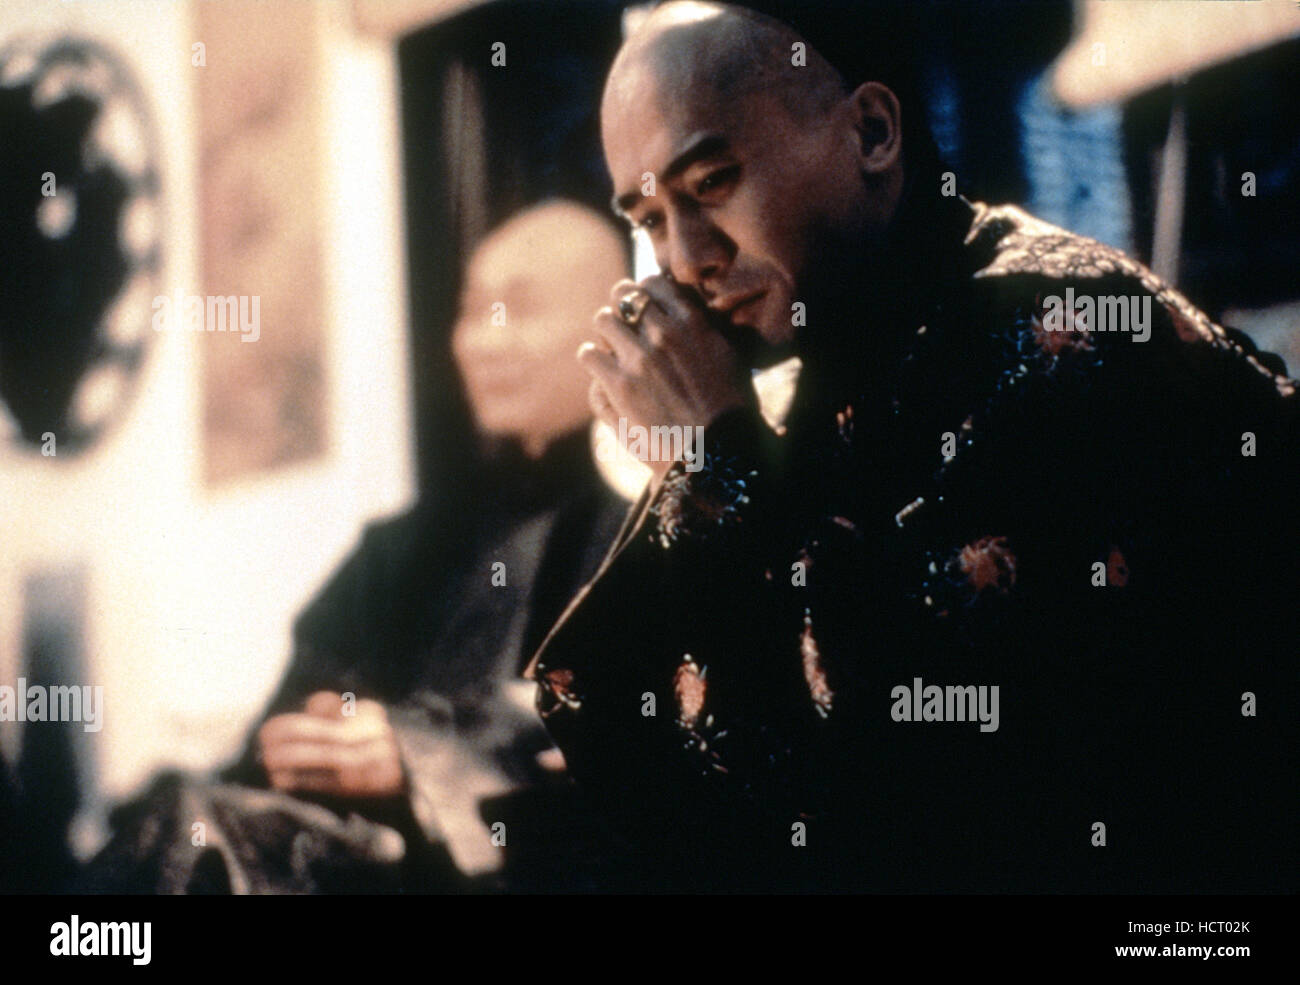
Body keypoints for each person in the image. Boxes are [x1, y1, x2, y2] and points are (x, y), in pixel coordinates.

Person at [527, 1, 1299, 892]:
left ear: (872, 130)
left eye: (711, 184)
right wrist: (705, 460)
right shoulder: (818, 376)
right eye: (651, 219)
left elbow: (922, 784)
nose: (686, 257)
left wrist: (721, 460)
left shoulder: (1057, 322)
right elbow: (653, 751)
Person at [85, 201, 632, 893]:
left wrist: (424, 751)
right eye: (472, 310)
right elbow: (288, 720)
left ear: (613, 324)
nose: (481, 342)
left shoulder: (652, 518)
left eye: (519, 310)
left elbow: (637, 738)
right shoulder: (408, 542)